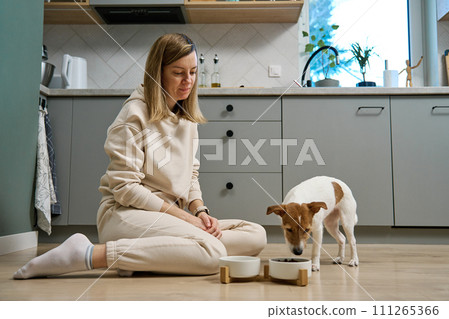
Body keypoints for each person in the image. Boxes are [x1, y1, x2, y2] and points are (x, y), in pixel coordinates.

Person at [13, 33, 266, 279]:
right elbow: (125, 189)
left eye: (192, 72)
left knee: (255, 235)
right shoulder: (134, 115)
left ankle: (142, 256)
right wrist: (187, 219)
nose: (187, 80)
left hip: (169, 217)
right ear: (158, 73)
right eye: (178, 72)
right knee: (212, 251)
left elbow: (190, 176)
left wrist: (200, 212)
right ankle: (88, 254)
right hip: (125, 214)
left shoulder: (185, 117)